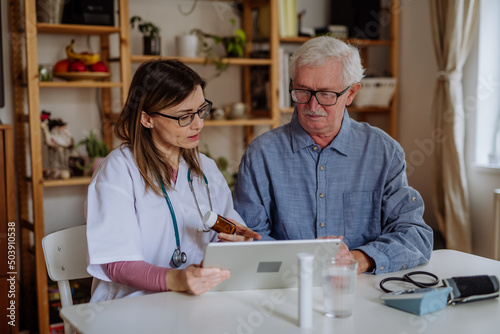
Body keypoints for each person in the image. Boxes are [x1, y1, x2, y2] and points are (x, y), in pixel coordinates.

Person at [233, 36, 433, 275]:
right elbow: (247, 240)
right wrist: (305, 261)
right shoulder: (261, 155)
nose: (312, 106)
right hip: (285, 290)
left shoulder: (383, 151)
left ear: (351, 93)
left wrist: (358, 259)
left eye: (326, 94)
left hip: (361, 290)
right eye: (302, 91)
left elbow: (415, 235)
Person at [86, 59, 260, 302]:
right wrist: (178, 279)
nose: (199, 124)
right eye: (184, 117)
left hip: (193, 302)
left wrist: (238, 242)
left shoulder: (207, 170)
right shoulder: (118, 170)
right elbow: (116, 263)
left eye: (201, 110)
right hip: (132, 306)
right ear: (147, 119)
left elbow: (226, 238)